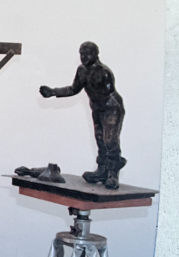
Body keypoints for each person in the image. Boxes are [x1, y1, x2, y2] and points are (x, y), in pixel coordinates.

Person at [40, 41, 126, 189]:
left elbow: (107, 94)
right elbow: (74, 89)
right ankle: (102, 171)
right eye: (81, 54)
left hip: (112, 108)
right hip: (97, 108)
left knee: (110, 140)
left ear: (96, 54)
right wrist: (53, 92)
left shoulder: (104, 72)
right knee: (100, 139)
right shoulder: (81, 70)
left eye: (87, 54)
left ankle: (113, 174)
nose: (84, 57)